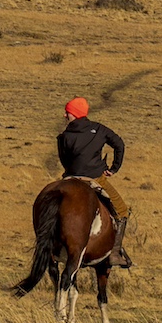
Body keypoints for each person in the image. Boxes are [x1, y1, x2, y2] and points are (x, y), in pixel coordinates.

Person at [57, 97, 132, 268]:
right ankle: (114, 253)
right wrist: (114, 168)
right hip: (95, 178)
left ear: (75, 114)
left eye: (67, 112)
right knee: (121, 211)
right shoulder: (99, 129)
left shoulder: (64, 136)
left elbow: (64, 160)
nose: (64, 115)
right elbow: (119, 144)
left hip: (71, 178)